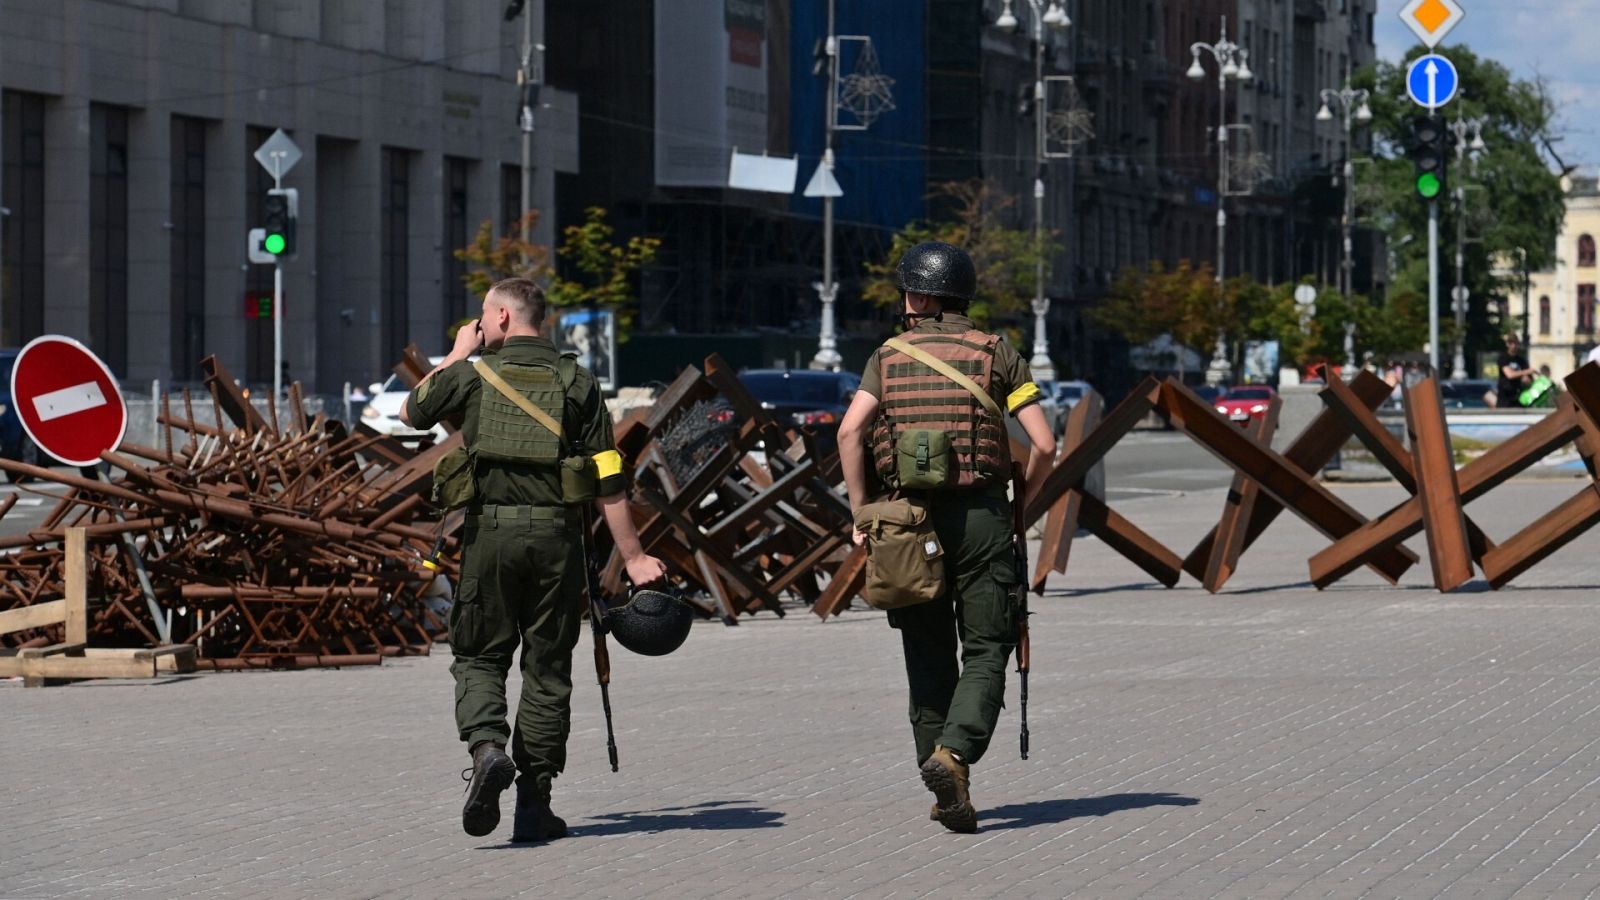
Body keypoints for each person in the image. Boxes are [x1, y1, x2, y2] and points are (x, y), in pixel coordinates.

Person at [400, 277, 667, 842]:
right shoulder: (577, 380)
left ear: (500, 317)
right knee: (547, 669)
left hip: (490, 537)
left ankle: (488, 749)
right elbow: (608, 478)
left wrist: (457, 353)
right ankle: (534, 805)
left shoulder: (471, 375)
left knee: (479, 655)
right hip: (556, 542)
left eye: (482, 315)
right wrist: (635, 557)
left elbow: (411, 412)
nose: (479, 324)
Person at [835, 242, 1057, 834]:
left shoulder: (887, 356)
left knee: (927, 655)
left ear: (919, 297)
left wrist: (861, 514)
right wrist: (1022, 506)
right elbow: (1045, 444)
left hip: (906, 526)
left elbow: (850, 432)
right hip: (982, 519)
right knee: (987, 647)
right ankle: (953, 755)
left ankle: (943, 779)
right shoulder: (997, 352)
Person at [1496, 333, 1532, 409]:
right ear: (1507, 344)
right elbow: (1509, 375)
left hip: (1519, 399)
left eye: (1515, 343)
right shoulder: (1503, 357)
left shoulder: (1522, 361)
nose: (1513, 346)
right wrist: (1525, 372)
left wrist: (1526, 380)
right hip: (1504, 400)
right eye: (1511, 343)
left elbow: (1529, 381)